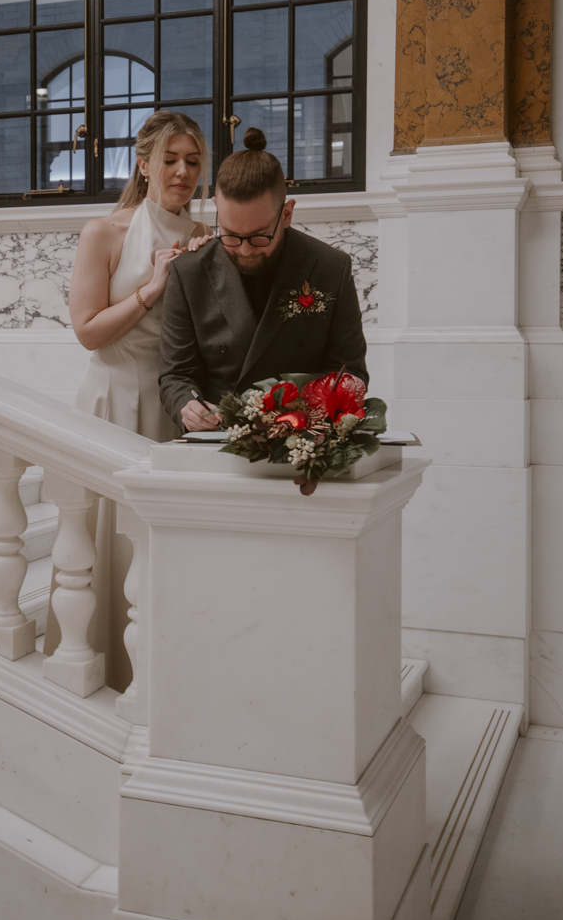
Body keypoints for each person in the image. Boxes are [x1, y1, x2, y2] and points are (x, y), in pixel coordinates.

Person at [43, 111, 211, 683]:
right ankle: (99, 661)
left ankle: (164, 668)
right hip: (111, 399)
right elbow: (88, 331)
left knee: (161, 541)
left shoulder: (204, 236)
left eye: (193, 161)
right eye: (170, 160)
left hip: (173, 406)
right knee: (106, 539)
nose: (182, 172)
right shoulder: (104, 232)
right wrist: (153, 288)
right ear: (143, 165)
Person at [158, 126, 368, 491]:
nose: (244, 250)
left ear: (286, 214)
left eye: (259, 237)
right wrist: (188, 406)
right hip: (216, 452)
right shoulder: (189, 272)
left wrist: (308, 417)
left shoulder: (330, 267)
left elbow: (349, 372)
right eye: (230, 235)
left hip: (303, 451)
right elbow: (176, 374)